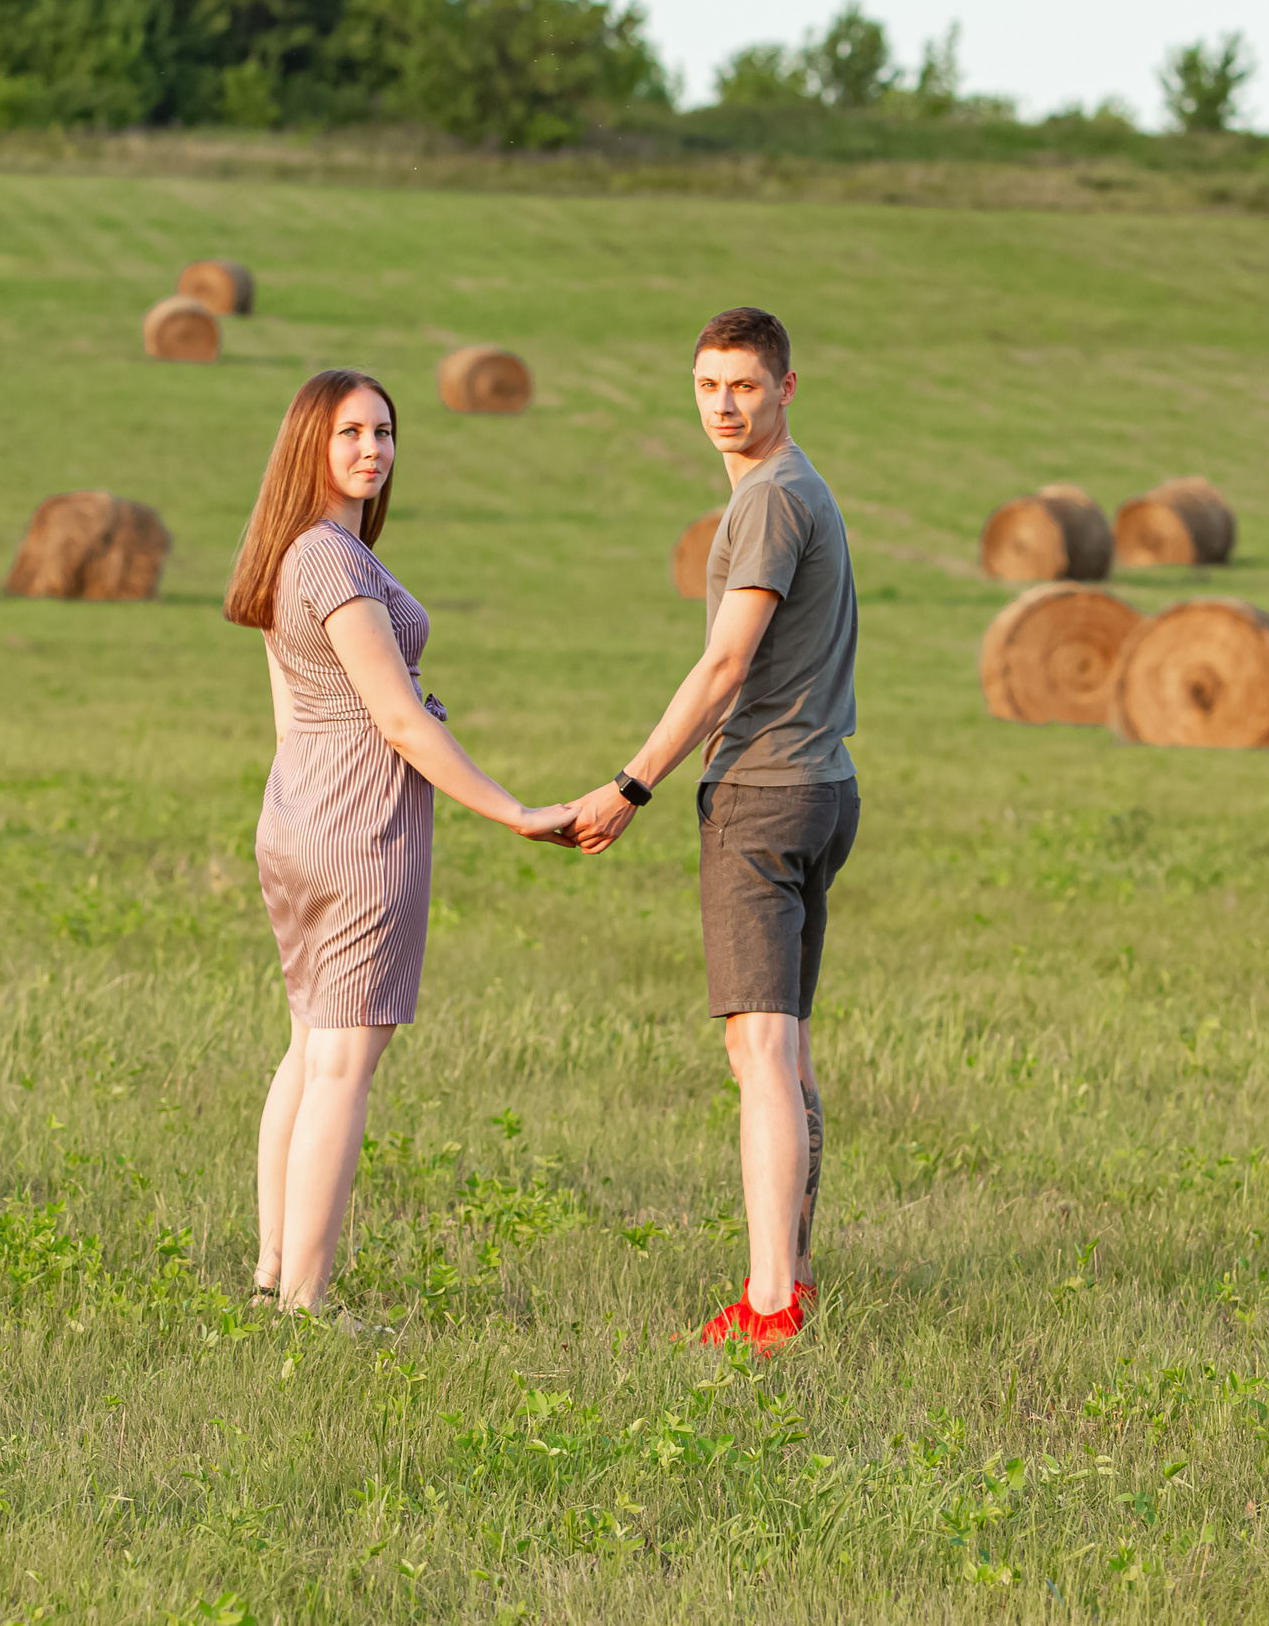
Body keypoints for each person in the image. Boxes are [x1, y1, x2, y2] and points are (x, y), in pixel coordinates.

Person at [225, 368, 579, 1318]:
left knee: (307, 1048)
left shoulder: (291, 552)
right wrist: (515, 810)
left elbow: (291, 713)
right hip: (358, 825)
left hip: (298, 812)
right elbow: (398, 720)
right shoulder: (331, 560)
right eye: (349, 433)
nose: (372, 449)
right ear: (311, 444)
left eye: (383, 432)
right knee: (342, 1065)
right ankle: (304, 1302)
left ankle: (272, 1274)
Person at [568, 307, 859, 1354]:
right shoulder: (796, 489)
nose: (723, 405)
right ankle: (796, 1279)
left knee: (761, 1053)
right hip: (820, 785)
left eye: (742, 385)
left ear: (786, 386)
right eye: (706, 386)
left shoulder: (772, 501)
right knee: (785, 1051)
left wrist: (629, 786)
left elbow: (725, 663)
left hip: (765, 793)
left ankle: (771, 1304)